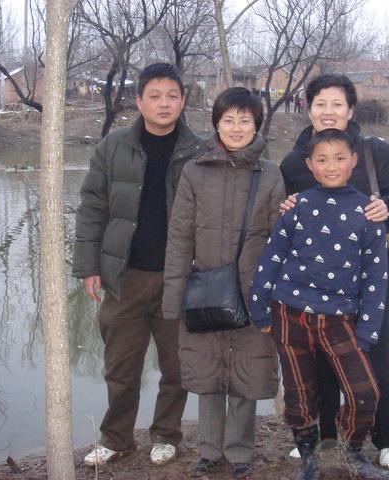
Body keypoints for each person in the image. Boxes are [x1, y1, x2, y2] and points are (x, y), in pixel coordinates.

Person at [279, 73, 389, 469]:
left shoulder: (374, 153)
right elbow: (279, 217)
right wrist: (284, 209)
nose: (329, 112)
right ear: (307, 108)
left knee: (374, 357)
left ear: (350, 110)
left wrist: (388, 209)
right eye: (320, 104)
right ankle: (324, 437)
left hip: (369, 282)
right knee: (320, 363)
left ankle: (388, 437)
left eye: (337, 105)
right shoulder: (295, 162)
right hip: (313, 286)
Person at [72, 63, 203, 467]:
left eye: (172, 96)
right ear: (139, 100)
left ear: (183, 100)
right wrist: (89, 266)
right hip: (123, 276)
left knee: (177, 365)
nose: (164, 104)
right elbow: (92, 207)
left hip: (179, 278)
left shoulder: (199, 152)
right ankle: (117, 437)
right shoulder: (113, 147)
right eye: (155, 95)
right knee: (121, 366)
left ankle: (167, 434)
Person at [249, 128, 389, 479]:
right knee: (299, 396)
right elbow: (271, 257)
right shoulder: (298, 206)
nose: (331, 167)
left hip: (341, 318)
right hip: (289, 313)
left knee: (365, 393)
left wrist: (368, 328)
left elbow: (376, 276)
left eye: (340, 158)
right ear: (310, 165)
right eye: (322, 160)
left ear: (353, 161)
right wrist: (260, 307)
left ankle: (352, 449)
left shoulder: (368, 214)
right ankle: (309, 455)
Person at [163, 87, 285, 479]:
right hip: (204, 291)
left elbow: (279, 239)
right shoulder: (195, 171)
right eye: (228, 119)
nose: (236, 128)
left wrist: (272, 295)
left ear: (256, 126)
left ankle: (240, 451)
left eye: (244, 120)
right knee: (209, 374)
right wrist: (173, 297)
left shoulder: (269, 174)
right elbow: (180, 237)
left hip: (253, 291)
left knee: (246, 375)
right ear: (216, 123)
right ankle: (209, 450)